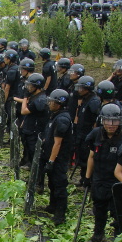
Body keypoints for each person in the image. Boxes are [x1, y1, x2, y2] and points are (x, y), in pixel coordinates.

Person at [84, 104, 122, 242]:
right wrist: (87, 177)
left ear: (120, 121)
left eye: (115, 121)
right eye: (107, 121)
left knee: (118, 215)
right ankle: (98, 236)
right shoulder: (95, 134)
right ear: (102, 120)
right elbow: (91, 156)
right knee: (99, 210)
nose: (111, 125)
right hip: (99, 179)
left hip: (116, 182)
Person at [42, 89, 73, 225]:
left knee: (59, 185)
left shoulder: (62, 119)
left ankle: (60, 215)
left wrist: (51, 161)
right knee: (52, 183)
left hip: (59, 159)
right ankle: (52, 205)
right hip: (52, 156)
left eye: (52, 102)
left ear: (59, 104)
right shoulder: (55, 115)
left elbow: (58, 143)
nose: (49, 104)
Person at [73, 76, 101, 185]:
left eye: (81, 88)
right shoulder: (85, 99)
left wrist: (93, 133)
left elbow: (96, 118)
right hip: (81, 133)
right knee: (81, 157)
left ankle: (87, 180)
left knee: (86, 158)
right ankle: (82, 178)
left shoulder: (94, 101)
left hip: (88, 133)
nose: (79, 90)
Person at [20, 73, 49, 167]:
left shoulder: (40, 100)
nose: (28, 88)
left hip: (35, 131)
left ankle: (37, 179)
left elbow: (24, 111)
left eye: (30, 86)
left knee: (35, 155)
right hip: (30, 128)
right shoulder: (36, 97)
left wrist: (25, 97)